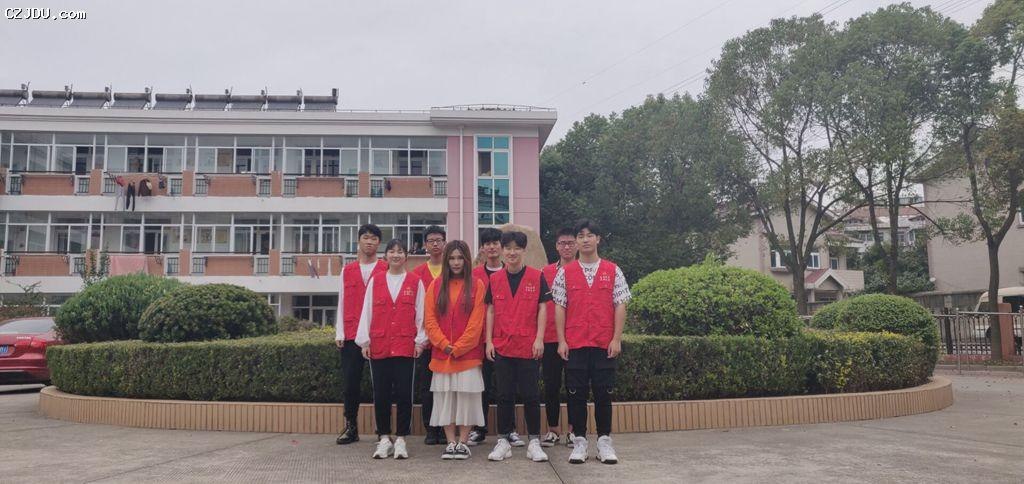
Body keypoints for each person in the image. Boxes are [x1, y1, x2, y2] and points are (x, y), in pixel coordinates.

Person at [552, 220, 631, 465]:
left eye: (590, 235)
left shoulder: (613, 270)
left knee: (603, 394)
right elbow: (560, 307)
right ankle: (579, 442)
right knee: (575, 394)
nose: (585, 239)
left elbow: (620, 304)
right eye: (581, 236)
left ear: (598, 239)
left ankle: (604, 442)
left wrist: (616, 338)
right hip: (575, 343)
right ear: (576, 241)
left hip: (603, 343)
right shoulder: (565, 273)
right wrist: (561, 340)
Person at [355, 239, 427, 460]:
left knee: (405, 393)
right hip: (380, 345)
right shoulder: (376, 281)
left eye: (400, 251)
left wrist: (420, 341)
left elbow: (421, 314)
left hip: (405, 346)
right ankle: (384, 438)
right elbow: (367, 311)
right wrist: (364, 342)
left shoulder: (415, 282)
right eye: (392, 251)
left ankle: (402, 438)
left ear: (406, 256)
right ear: (385, 256)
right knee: (381, 394)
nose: (396, 255)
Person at [484, 231, 551, 463]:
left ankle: (534, 441)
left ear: (523, 250)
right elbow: (490, 310)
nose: (512, 252)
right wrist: (489, 340)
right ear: (503, 250)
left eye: (517, 248)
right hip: (503, 345)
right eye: (508, 248)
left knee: (531, 395)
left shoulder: (536, 276)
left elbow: (543, 308)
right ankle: (503, 440)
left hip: (528, 346)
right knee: (504, 395)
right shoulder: (495, 279)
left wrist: (539, 338)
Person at [423, 240, 487, 460]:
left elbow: (477, 323)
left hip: (468, 356)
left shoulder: (477, 285)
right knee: (446, 399)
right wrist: (444, 344)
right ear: (446, 260)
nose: (456, 262)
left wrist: (459, 347)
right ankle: (451, 442)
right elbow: (429, 321)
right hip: (442, 355)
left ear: (467, 260)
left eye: (460, 258)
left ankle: (463, 442)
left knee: (467, 399)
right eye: (452, 258)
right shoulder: (435, 285)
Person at [334, 224, 387, 445]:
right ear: (358, 241)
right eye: (366, 237)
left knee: (381, 384)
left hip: (379, 334)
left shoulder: (385, 268)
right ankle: (351, 427)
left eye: (374, 238)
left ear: (379, 243)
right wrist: (339, 331)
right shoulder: (347, 270)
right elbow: (341, 300)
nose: (369, 242)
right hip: (351, 334)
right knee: (350, 383)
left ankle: (382, 429)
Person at [540, 227, 577, 447]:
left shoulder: (583, 271)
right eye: (562, 243)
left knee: (574, 386)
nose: (566, 247)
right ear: (556, 246)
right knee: (551, 385)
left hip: (575, 338)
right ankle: (553, 429)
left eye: (570, 243)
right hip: (550, 338)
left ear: (576, 245)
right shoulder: (545, 272)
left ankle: (573, 430)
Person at [411, 225, 447, 445]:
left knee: (445, 386)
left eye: (438, 240)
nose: (435, 244)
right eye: (431, 240)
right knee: (427, 386)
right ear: (425, 244)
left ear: (444, 243)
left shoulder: (453, 269)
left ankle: (445, 428)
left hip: (447, 339)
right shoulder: (417, 274)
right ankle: (431, 429)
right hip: (425, 340)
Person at [468, 227, 504, 446]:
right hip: (479, 340)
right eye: (487, 243)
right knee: (481, 386)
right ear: (482, 248)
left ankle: (507, 429)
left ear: (501, 246)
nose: (491, 247)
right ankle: (479, 429)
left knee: (505, 386)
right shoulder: (474, 275)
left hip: (504, 338)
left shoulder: (510, 271)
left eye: (495, 243)